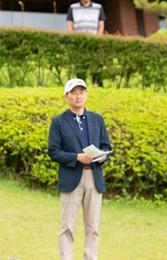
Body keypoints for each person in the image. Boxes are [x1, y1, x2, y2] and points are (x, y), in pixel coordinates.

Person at [48, 78, 111, 260]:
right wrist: (75, 157)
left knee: (93, 227)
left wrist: (103, 157)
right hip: (71, 177)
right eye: (73, 93)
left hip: (94, 178)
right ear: (66, 97)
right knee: (67, 225)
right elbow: (53, 151)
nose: (78, 96)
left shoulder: (97, 119)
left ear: (86, 95)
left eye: (81, 92)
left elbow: (106, 145)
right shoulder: (58, 121)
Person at [67, 0, 106, 86]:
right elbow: (70, 24)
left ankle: (97, 84)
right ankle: (80, 84)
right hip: (79, 42)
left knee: (96, 64)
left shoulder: (98, 7)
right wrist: (73, 38)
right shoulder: (73, 7)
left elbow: (101, 24)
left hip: (94, 42)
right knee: (80, 65)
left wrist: (98, 38)